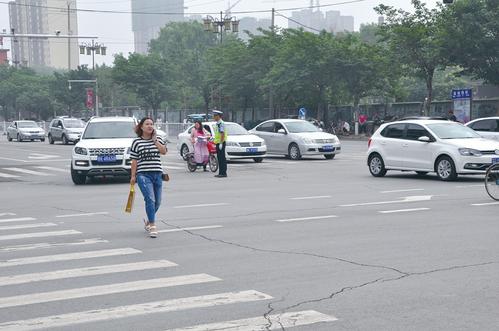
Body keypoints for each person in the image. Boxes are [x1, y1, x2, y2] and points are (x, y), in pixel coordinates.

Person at [130, 117, 167, 238]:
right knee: (150, 199)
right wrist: (133, 176)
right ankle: (152, 225)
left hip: (157, 174)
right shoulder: (137, 142)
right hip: (143, 175)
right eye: (147, 124)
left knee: (158, 202)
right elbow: (134, 160)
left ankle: (148, 221)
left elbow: (163, 152)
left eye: (151, 124)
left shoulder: (158, 139)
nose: (150, 126)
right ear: (141, 127)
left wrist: (155, 141)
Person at [212, 110, 227, 178]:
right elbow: (218, 134)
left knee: (222, 158)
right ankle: (221, 172)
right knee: (220, 158)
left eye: (215, 116)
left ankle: (223, 173)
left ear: (218, 116)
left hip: (221, 143)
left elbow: (222, 133)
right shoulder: (218, 123)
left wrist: (221, 143)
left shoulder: (221, 123)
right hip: (218, 142)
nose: (214, 117)